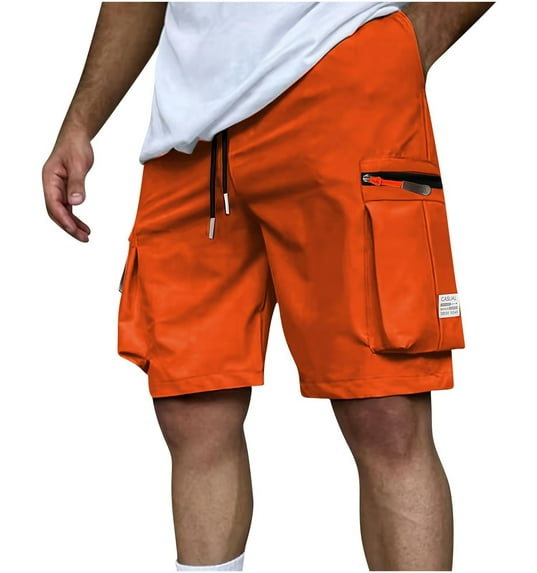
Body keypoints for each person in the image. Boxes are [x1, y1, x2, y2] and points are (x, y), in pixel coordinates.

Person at [41, 2, 494, 571]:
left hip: (339, 84)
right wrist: (81, 122)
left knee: (385, 409)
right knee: (192, 408)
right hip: (192, 130)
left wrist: (418, 35)